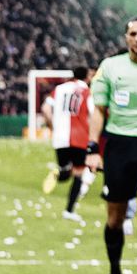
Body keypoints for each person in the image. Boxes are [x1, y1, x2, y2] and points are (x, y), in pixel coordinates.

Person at [86, 16, 137, 274]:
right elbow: (98, 110)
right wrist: (93, 149)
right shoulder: (110, 67)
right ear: (125, 37)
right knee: (114, 218)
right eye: (133, 34)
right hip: (119, 146)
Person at [40, 66, 95, 221]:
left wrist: (53, 127)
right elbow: (93, 114)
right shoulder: (87, 92)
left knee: (66, 169)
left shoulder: (59, 89)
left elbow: (45, 109)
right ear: (87, 77)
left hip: (60, 138)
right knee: (78, 174)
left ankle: (59, 173)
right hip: (80, 138)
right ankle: (69, 211)